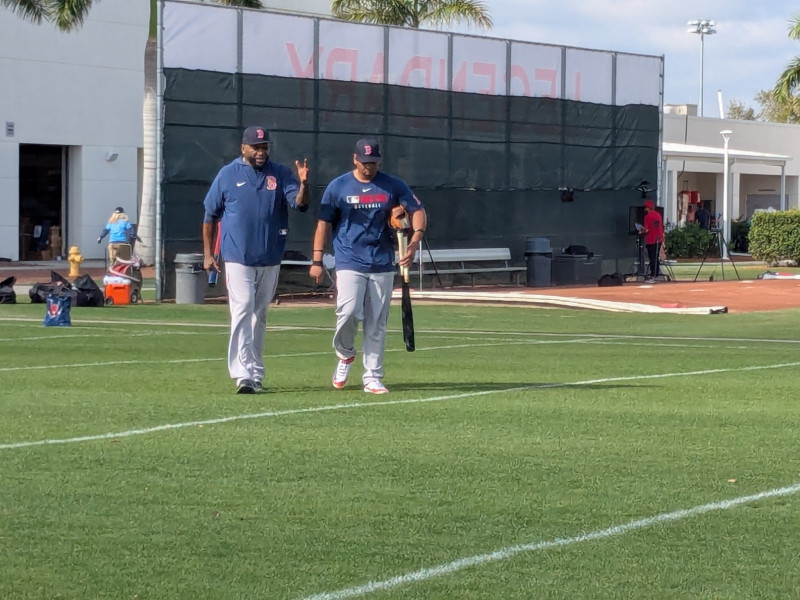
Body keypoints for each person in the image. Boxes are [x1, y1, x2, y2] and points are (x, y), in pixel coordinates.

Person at [309, 137, 427, 394]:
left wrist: (414, 239)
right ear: (354, 159)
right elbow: (323, 223)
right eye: (363, 162)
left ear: (378, 161)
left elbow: (417, 210)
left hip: (382, 261)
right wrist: (317, 259)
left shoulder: (393, 185)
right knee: (348, 312)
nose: (368, 167)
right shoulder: (338, 186)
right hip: (349, 259)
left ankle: (372, 376)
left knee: (376, 322)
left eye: (372, 163)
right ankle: (345, 353)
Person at [202, 125, 310, 394]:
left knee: (259, 314)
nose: (261, 151)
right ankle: (243, 375)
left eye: (264, 147)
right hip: (237, 256)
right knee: (243, 308)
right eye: (256, 147)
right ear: (243, 148)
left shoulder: (281, 173)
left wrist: (304, 184)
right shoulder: (228, 174)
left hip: (270, 256)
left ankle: (256, 372)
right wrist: (207, 254)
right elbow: (209, 216)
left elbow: (300, 204)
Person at [642, 199, 663, 283]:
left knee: (652, 258)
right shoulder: (658, 214)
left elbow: (646, 230)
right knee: (656, 257)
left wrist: (641, 231)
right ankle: (656, 274)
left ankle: (653, 276)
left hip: (651, 239)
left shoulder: (647, 217)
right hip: (659, 238)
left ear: (647, 208)